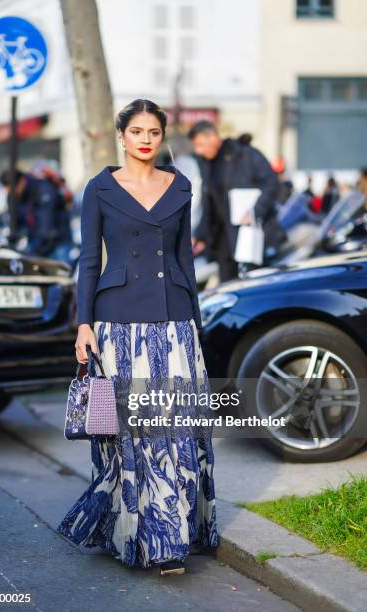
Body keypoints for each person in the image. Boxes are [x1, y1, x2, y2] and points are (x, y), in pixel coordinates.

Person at [56, 99, 220, 576]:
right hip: (117, 323)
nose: (145, 139)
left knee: (173, 428)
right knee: (133, 435)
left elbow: (184, 259)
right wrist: (83, 324)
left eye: (153, 131)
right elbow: (89, 260)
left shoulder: (181, 186)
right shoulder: (101, 188)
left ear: (162, 138)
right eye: (137, 131)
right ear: (121, 136)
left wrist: (195, 325)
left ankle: (172, 537)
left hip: (173, 324)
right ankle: (138, 536)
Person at [187, 121, 280, 280]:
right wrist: (201, 236)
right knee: (228, 288)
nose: (198, 150)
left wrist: (255, 211)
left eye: (200, 144)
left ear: (213, 137)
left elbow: (272, 183)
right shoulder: (205, 163)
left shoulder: (245, 154)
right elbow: (209, 203)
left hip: (249, 236)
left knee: (252, 286)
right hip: (223, 242)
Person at [0, 167, 73, 259]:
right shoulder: (14, 197)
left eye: (14, 190)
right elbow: (16, 222)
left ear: (22, 181)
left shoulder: (43, 189)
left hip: (58, 242)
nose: (13, 194)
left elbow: (46, 225)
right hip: (36, 241)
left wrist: (33, 252)